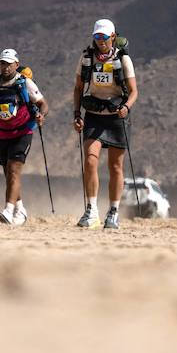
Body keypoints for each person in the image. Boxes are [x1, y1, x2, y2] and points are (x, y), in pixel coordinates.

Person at [72, 19, 138, 230]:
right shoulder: (86, 59)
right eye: (97, 37)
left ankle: (114, 212)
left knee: (115, 166)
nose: (100, 41)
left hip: (117, 116)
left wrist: (126, 107)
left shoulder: (123, 59)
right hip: (93, 115)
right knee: (90, 160)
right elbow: (78, 88)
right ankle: (91, 210)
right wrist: (76, 113)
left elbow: (134, 91)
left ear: (113, 37)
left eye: (104, 37)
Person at [0, 49, 48, 225]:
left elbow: (43, 104)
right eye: (2, 63)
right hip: (2, 133)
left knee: (14, 170)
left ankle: (7, 211)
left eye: (8, 63)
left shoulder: (24, 83)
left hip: (23, 131)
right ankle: (20, 210)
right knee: (8, 174)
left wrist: (41, 116)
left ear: (16, 64)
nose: (5, 67)